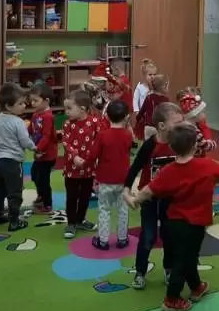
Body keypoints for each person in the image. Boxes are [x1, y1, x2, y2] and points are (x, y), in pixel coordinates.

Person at [126, 122, 219, 311]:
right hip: (196, 223)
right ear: (195, 146)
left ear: (172, 148)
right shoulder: (207, 165)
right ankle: (171, 299)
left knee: (187, 255)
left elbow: (148, 190)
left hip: (174, 222)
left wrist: (134, 200)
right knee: (184, 258)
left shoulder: (168, 171)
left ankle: (196, 287)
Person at [123, 102, 183, 289]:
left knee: (169, 235)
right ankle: (140, 272)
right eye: (177, 123)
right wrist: (126, 188)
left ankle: (169, 268)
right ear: (162, 126)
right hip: (149, 197)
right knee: (148, 236)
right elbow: (135, 167)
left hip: (170, 198)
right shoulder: (150, 145)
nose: (180, 126)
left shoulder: (178, 143)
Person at [80, 99, 134, 250]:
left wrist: (84, 164)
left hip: (105, 179)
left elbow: (93, 155)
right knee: (123, 209)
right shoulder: (128, 135)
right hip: (123, 179)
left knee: (104, 209)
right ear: (126, 117)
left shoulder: (103, 135)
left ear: (107, 116)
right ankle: (122, 239)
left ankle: (103, 240)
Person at [0, 83, 34, 232]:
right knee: (15, 192)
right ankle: (14, 221)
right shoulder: (18, 122)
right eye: (20, 104)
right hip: (12, 162)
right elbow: (25, 141)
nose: (24, 106)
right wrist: (34, 147)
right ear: (8, 106)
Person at [62, 89, 99, 239]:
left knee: (85, 196)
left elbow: (99, 140)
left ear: (82, 108)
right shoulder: (67, 124)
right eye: (65, 108)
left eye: (69, 108)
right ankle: (71, 223)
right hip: (72, 168)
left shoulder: (94, 122)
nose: (66, 112)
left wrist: (95, 158)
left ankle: (81, 219)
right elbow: (66, 142)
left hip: (89, 168)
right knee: (71, 197)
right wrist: (75, 157)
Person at [28, 83, 57, 214]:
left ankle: (47, 204)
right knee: (34, 174)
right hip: (38, 154)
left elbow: (47, 135)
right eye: (31, 100)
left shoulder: (48, 116)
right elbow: (31, 129)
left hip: (48, 155)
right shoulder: (36, 114)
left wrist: (37, 148)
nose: (32, 103)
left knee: (44, 180)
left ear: (46, 101)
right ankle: (41, 195)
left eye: (36, 100)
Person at [134, 74, 170, 140]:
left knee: (148, 143)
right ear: (163, 87)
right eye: (167, 86)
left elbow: (142, 111)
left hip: (148, 127)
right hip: (160, 127)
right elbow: (167, 114)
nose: (168, 88)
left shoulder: (149, 97)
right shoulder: (166, 99)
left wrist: (138, 118)